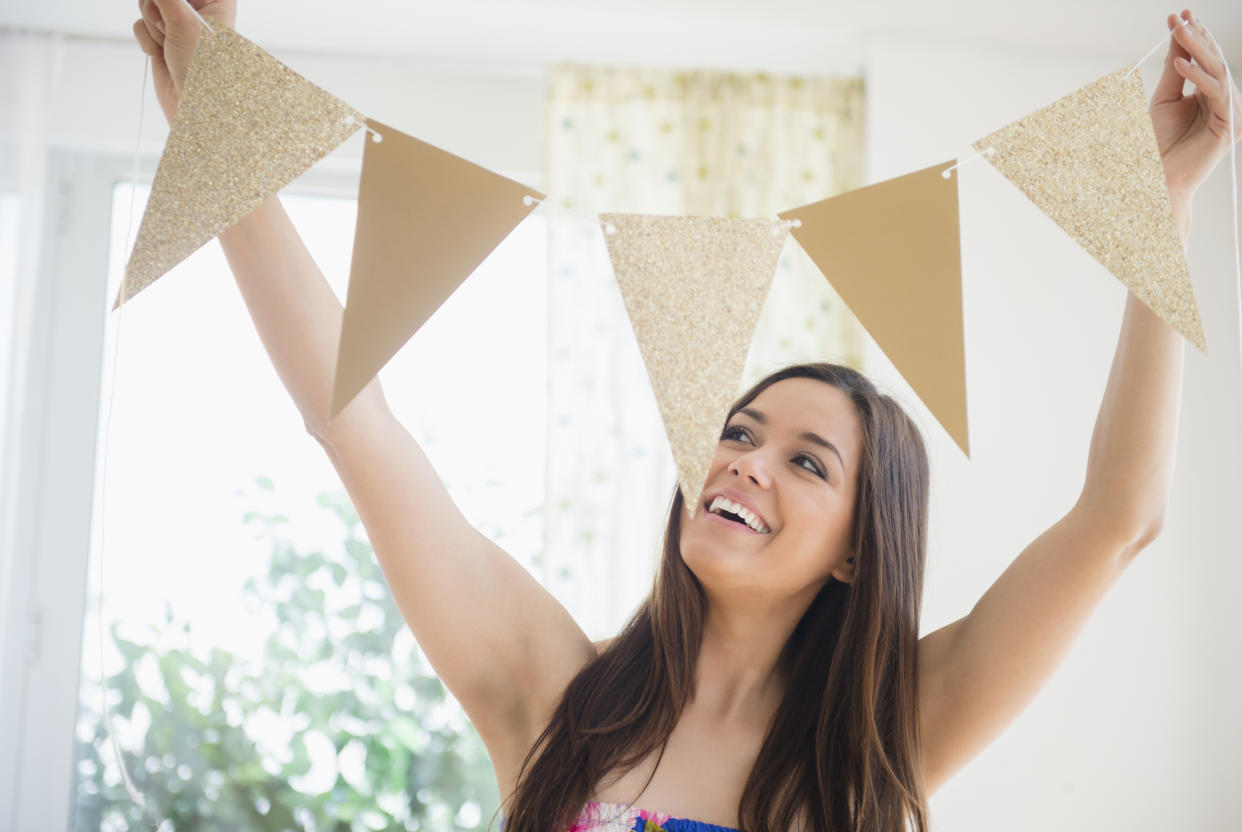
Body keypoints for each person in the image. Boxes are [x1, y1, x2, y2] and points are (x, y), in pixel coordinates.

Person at [132, 2, 1241, 830]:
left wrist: (1163, 211)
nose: (746, 461)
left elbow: (1117, 519)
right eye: (743, 431)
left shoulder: (888, 738)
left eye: (808, 462)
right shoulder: (551, 689)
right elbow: (354, 417)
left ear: (861, 548)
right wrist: (221, 145)